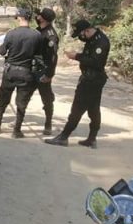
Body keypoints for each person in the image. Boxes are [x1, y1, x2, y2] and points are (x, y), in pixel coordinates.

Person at [45, 19, 110, 148]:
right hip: (91, 78)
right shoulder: (93, 39)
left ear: (87, 30)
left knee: (77, 109)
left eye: (81, 34)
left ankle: (64, 137)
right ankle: (92, 139)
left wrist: (76, 56)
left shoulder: (101, 42)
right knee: (93, 109)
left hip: (92, 80)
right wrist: (77, 55)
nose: (81, 37)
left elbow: (96, 62)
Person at [0, 8, 43, 138]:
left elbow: (2, 52)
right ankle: (17, 130)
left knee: (3, 99)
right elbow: (39, 54)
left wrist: (2, 44)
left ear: (19, 18)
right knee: (22, 103)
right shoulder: (36, 35)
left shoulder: (11, 34)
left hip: (10, 71)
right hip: (26, 72)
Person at [34, 7, 59, 135]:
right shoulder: (39, 30)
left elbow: (53, 57)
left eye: (40, 15)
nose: (38, 16)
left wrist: (49, 74)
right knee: (24, 95)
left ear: (43, 19)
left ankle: (48, 123)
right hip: (32, 68)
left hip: (43, 71)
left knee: (47, 98)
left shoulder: (51, 35)